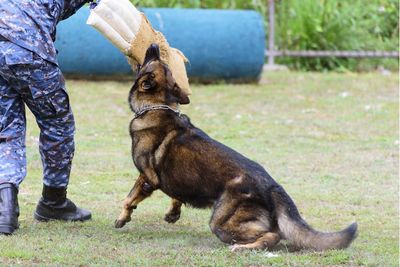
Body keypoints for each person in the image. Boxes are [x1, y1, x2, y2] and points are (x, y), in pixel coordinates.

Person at [0, 0, 93, 235]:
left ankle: (5, 211)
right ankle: (54, 201)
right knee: (57, 123)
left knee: (6, 128)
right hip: (27, 47)